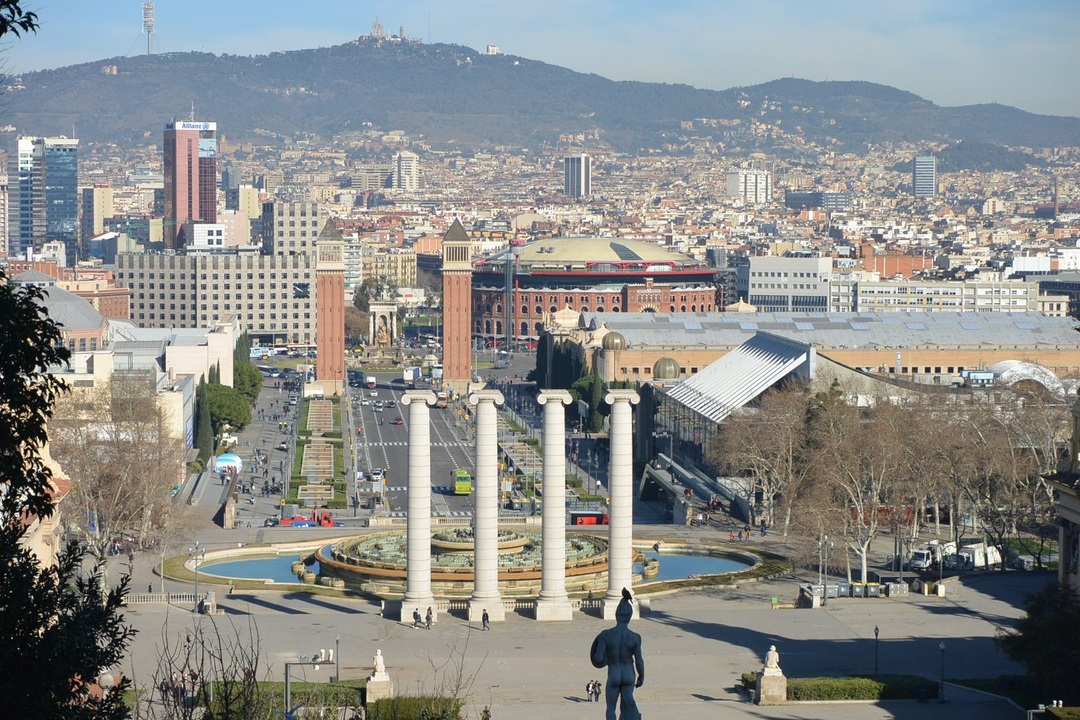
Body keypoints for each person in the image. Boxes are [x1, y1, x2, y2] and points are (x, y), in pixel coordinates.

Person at [591, 588, 644, 720]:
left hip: (614, 674)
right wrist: (641, 676)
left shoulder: (606, 635)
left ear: (616, 614)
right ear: (629, 616)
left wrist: (608, 657)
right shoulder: (635, 637)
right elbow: (639, 660)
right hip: (628, 674)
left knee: (610, 708)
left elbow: (598, 658)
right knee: (626, 706)